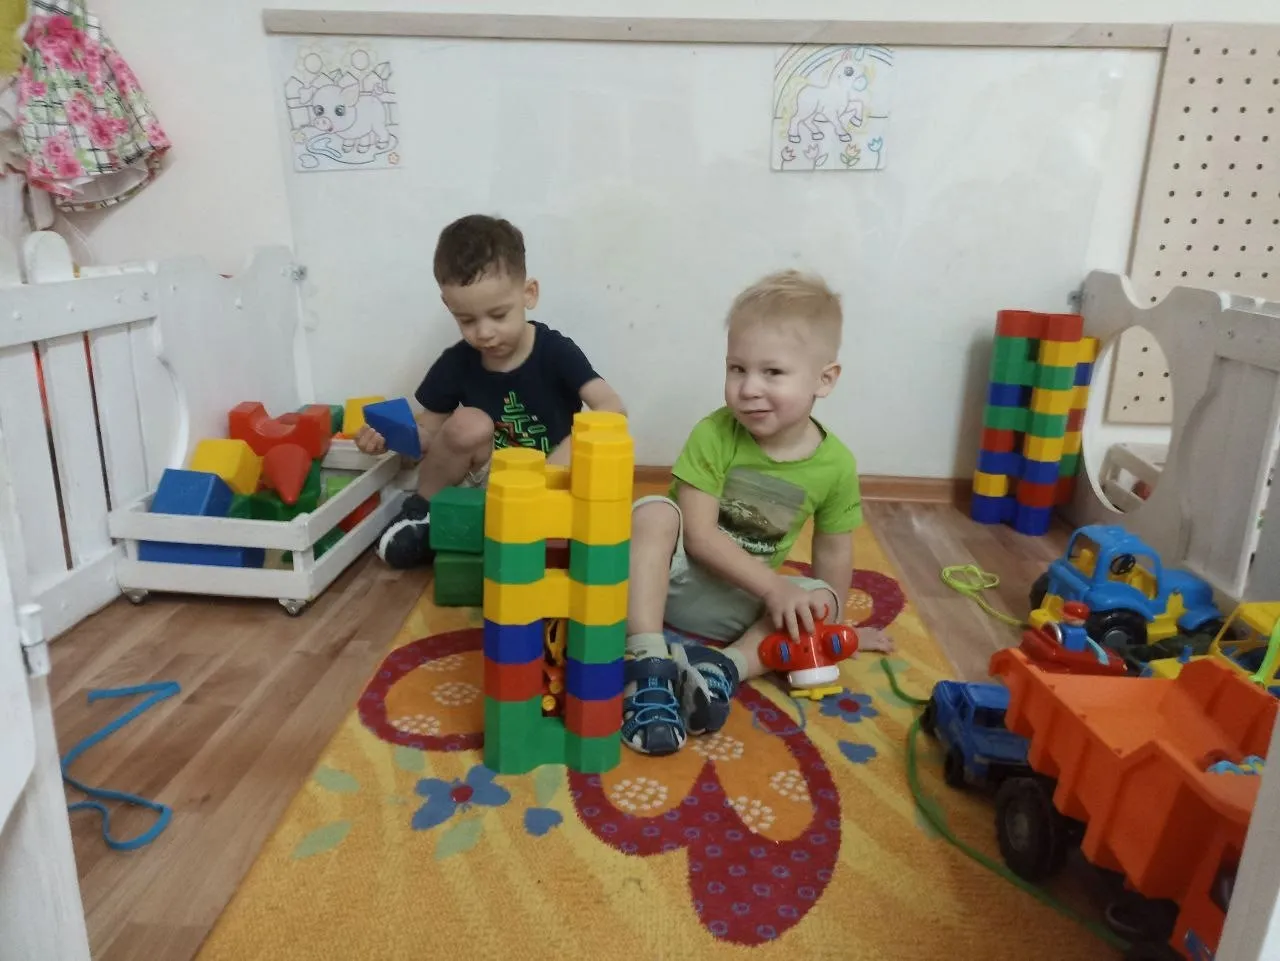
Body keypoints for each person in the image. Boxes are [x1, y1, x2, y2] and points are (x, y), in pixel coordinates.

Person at [622, 270, 893, 756]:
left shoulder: (836, 465)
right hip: (672, 582)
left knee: (821, 598)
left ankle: (723, 668)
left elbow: (834, 549)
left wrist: (834, 623)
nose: (748, 388)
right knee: (655, 513)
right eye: (737, 368)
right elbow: (700, 537)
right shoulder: (714, 434)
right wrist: (774, 587)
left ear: (825, 379)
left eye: (772, 372)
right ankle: (647, 661)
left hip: (743, 605)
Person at [358, 214, 626, 568]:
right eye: (467, 320)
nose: (484, 333)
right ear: (449, 306)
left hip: (548, 478)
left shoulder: (555, 351)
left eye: (498, 315)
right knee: (468, 423)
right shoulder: (457, 362)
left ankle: (515, 528)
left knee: (594, 434)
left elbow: (613, 407)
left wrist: (552, 467)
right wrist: (391, 437)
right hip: (487, 482)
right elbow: (427, 437)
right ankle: (424, 513)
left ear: (529, 294)